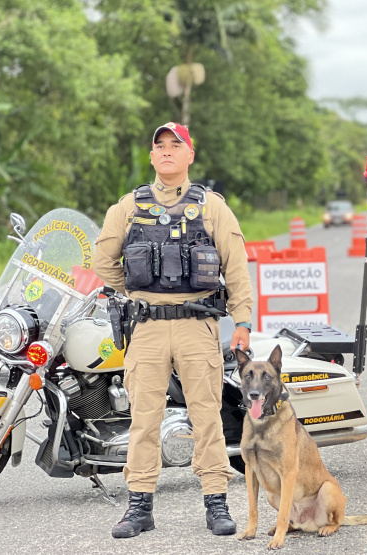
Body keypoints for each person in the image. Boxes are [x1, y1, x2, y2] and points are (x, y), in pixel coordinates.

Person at [94, 122, 253, 538]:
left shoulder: (212, 206)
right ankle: (139, 507)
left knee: (207, 417)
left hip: (196, 325)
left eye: (175, 145)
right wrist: (133, 289)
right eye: (159, 146)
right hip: (146, 327)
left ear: (189, 155)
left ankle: (216, 503)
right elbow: (104, 261)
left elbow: (235, 266)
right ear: (151, 157)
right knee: (144, 419)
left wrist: (243, 322)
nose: (167, 152)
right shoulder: (127, 208)